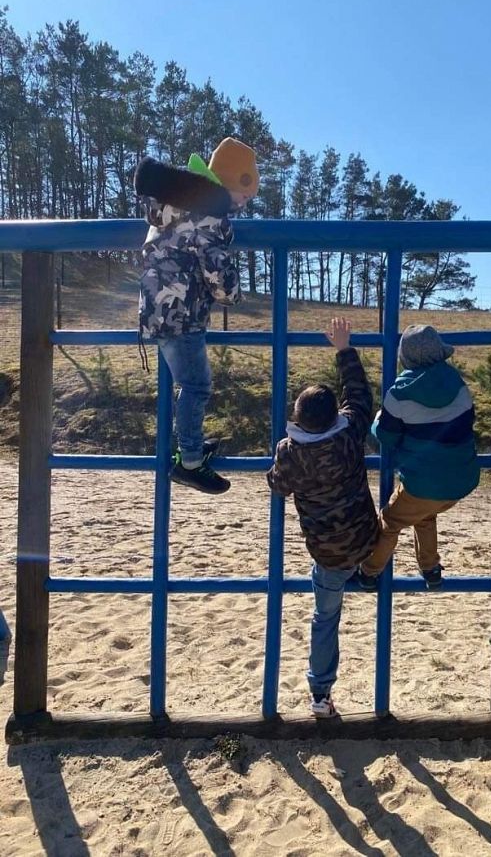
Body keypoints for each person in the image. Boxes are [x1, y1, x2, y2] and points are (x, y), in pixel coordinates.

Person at [266, 317, 379, 717]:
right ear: (336, 415)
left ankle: (320, 693)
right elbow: (360, 395)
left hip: (328, 552)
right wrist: (344, 350)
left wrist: (279, 459)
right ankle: (369, 572)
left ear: (298, 418)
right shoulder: (350, 434)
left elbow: (278, 486)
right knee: (375, 553)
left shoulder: (290, 452)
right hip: (366, 539)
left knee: (325, 617)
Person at [134, 138, 259, 494]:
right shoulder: (209, 216)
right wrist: (233, 295)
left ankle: (190, 444)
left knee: (189, 383)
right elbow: (218, 276)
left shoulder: (176, 204)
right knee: (196, 385)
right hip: (182, 315)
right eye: (243, 194)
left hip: (156, 310)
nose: (243, 203)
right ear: (229, 182)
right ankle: (189, 461)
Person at [357, 324, 480, 591]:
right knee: (424, 514)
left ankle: (369, 572)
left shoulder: (398, 393)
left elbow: (386, 436)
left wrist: (377, 421)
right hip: (463, 478)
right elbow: (469, 419)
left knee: (390, 521)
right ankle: (430, 569)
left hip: (424, 483)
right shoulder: (458, 383)